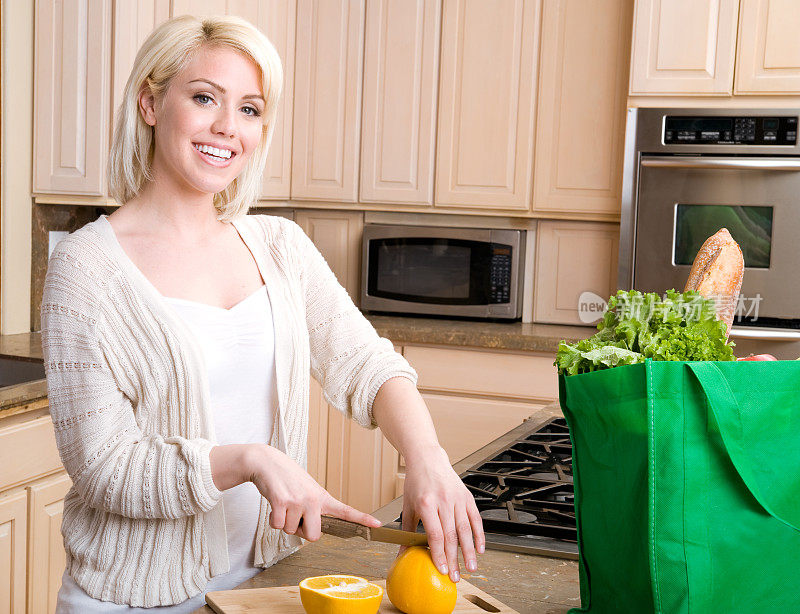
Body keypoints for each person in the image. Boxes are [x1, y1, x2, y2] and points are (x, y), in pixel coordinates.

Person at [41, 14, 485, 613]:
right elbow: (105, 469)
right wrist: (250, 460)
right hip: (131, 600)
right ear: (150, 102)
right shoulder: (85, 269)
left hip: (258, 589)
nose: (227, 128)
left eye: (250, 109)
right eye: (205, 98)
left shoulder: (279, 247)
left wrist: (428, 460)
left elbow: (368, 363)